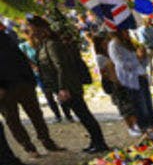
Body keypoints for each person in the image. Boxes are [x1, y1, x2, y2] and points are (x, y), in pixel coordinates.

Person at [28, 16, 107, 153]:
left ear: (40, 29)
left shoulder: (52, 44)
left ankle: (100, 143)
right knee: (82, 115)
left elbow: (61, 67)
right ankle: (95, 141)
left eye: (32, 29)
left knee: (84, 114)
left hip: (69, 86)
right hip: (62, 86)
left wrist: (63, 88)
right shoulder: (45, 44)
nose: (31, 32)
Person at [0, 30, 65, 157]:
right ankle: (29, 147)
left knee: (36, 114)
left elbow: (19, 56)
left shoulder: (5, 36)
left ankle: (47, 141)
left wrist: (30, 79)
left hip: (22, 82)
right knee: (13, 120)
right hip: (5, 89)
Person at [19, 32, 73, 123]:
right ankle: (57, 116)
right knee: (48, 96)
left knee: (59, 93)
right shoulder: (23, 46)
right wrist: (33, 66)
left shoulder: (42, 44)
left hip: (49, 73)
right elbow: (24, 59)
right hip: (38, 75)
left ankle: (68, 115)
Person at [100, 32, 142, 135]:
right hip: (118, 84)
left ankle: (136, 125)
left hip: (126, 81)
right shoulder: (106, 59)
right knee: (125, 108)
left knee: (132, 106)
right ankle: (131, 127)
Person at [136, 17, 153, 82]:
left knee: (149, 66)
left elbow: (143, 41)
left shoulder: (141, 30)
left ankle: (150, 81)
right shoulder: (152, 29)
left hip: (149, 49)